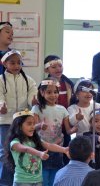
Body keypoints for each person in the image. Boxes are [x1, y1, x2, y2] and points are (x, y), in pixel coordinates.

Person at [0, 49, 37, 185]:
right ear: (4, 64)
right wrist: (1, 105)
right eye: (12, 63)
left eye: (19, 63)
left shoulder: (28, 80)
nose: (16, 66)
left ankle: (21, 180)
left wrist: (32, 100)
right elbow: (0, 96)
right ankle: (5, 182)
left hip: (22, 121)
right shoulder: (1, 80)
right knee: (5, 152)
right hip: (5, 121)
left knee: (22, 150)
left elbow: (33, 92)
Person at [4, 109, 69, 186]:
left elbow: (49, 145)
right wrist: (39, 153)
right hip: (22, 181)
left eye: (33, 124)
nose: (32, 127)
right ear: (19, 126)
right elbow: (26, 149)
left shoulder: (35, 141)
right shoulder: (14, 143)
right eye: (29, 124)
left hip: (38, 181)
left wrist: (64, 150)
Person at [31, 77, 74, 186]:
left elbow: (68, 130)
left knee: (56, 173)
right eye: (49, 92)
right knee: (43, 174)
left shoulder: (63, 109)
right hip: (42, 146)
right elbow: (33, 128)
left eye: (55, 92)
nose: (53, 95)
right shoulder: (37, 108)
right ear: (42, 92)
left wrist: (76, 123)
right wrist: (40, 125)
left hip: (58, 147)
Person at [44, 55, 74, 164]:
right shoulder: (43, 85)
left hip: (65, 124)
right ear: (46, 69)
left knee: (67, 148)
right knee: (51, 151)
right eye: (54, 67)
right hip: (50, 125)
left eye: (60, 66)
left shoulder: (68, 84)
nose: (58, 69)